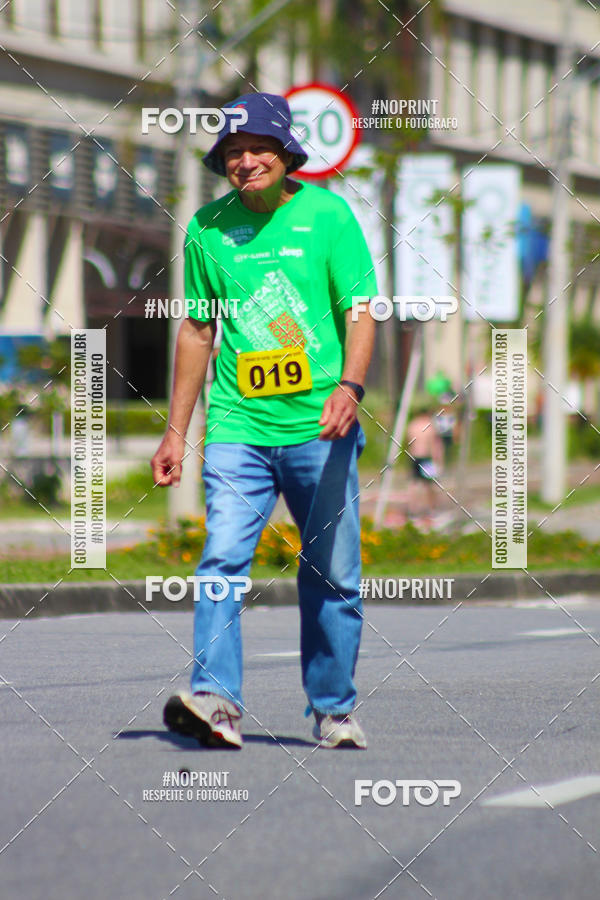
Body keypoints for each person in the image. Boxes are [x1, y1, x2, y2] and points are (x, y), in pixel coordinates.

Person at [151, 92, 376, 750]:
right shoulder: (206, 228)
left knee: (332, 573)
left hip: (319, 426)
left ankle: (332, 708)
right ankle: (218, 702)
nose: (244, 162)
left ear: (285, 154)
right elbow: (197, 329)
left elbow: (361, 311)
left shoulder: (328, 217)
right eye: (232, 153)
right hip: (237, 426)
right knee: (221, 557)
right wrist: (176, 431)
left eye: (256, 149)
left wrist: (351, 386)